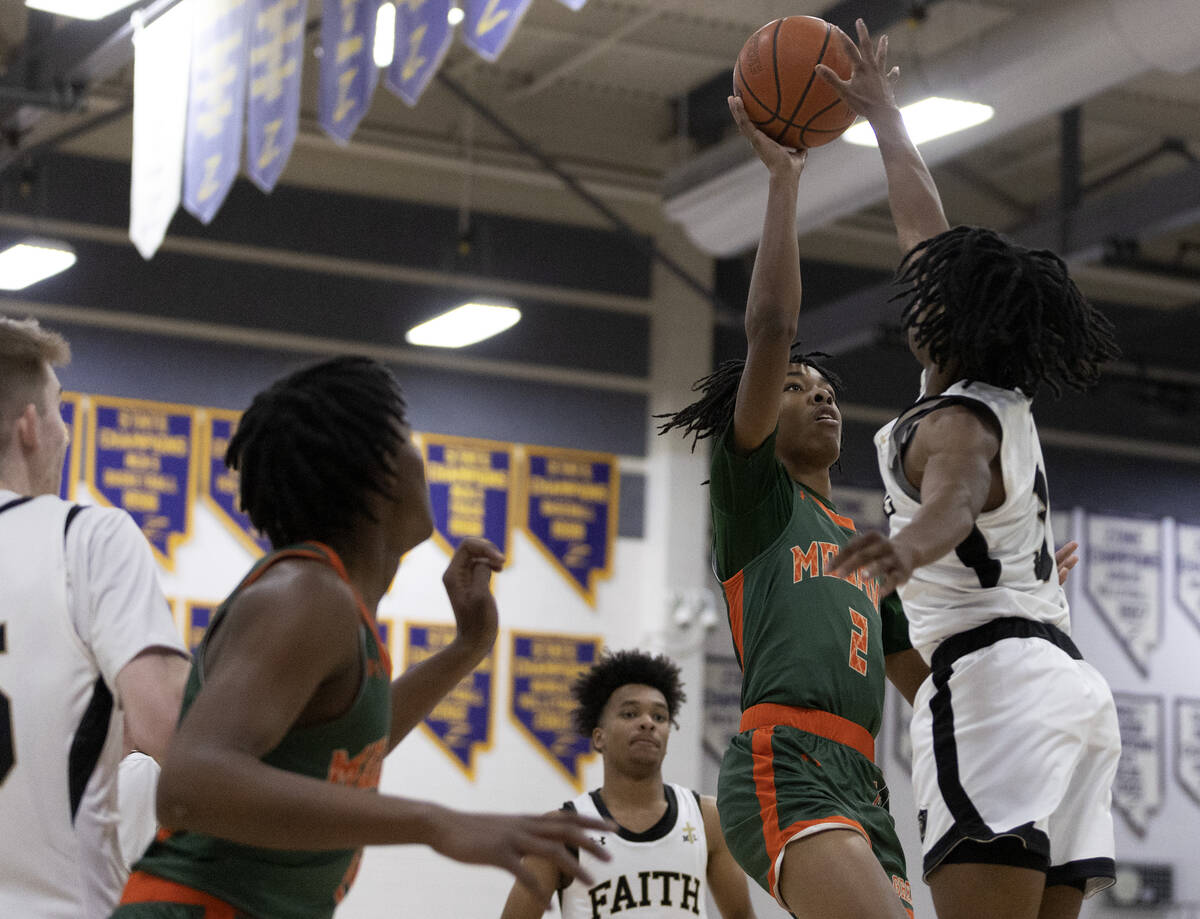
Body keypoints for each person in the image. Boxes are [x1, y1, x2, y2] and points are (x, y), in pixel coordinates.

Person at [111, 355, 612, 919]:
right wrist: (435, 821)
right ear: (377, 475)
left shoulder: (334, 604)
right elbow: (191, 783)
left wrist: (465, 649)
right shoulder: (307, 594)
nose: (421, 456)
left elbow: (344, 746)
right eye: (407, 438)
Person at [825, 21, 1123, 919]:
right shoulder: (999, 399)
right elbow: (924, 224)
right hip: (1066, 686)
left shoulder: (951, 419)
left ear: (944, 320)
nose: (915, 284)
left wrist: (907, 548)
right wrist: (883, 116)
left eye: (929, 290)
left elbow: (952, 500)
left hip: (994, 688)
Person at [655, 24, 943, 916]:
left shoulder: (864, 549)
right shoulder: (755, 499)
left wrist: (1014, 600)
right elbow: (771, 328)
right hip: (782, 761)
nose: (819, 397)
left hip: (865, 778)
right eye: (795, 389)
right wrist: (785, 183)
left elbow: (926, 686)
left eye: (827, 390)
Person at [0, 316, 191, 919]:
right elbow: (169, 729)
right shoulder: (87, 537)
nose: (63, 431)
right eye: (59, 410)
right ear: (30, 427)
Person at [499, 649, 756, 919]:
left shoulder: (707, 818)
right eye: (630, 714)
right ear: (599, 737)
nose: (647, 723)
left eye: (659, 717)